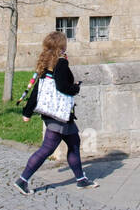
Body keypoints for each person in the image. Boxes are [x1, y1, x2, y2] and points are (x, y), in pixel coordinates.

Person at [15, 30, 98, 194]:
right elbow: (62, 87)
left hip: (53, 113)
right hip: (59, 115)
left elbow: (38, 89)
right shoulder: (60, 63)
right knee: (47, 148)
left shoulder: (47, 63)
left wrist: (27, 112)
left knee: (74, 143)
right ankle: (22, 180)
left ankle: (81, 179)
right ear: (61, 46)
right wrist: (76, 88)